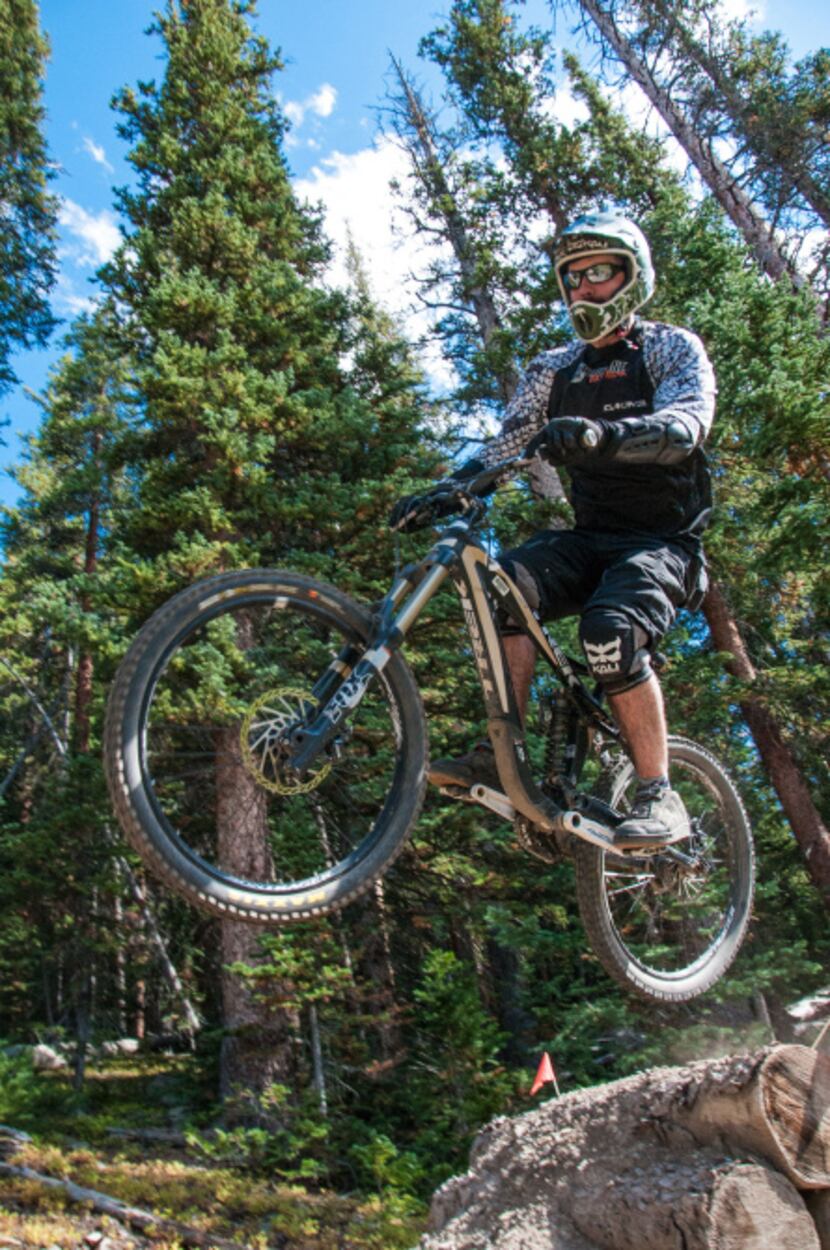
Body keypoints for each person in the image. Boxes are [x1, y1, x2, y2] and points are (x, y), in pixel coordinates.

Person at [390, 211, 715, 849]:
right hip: (590, 536)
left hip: (663, 543)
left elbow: (686, 425)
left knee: (610, 634)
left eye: (599, 273)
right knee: (499, 582)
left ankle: (659, 792)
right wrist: (450, 487)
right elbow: (507, 445)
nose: (584, 290)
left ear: (632, 275)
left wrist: (603, 434)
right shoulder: (555, 369)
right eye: (572, 278)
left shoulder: (670, 347)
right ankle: (500, 754)